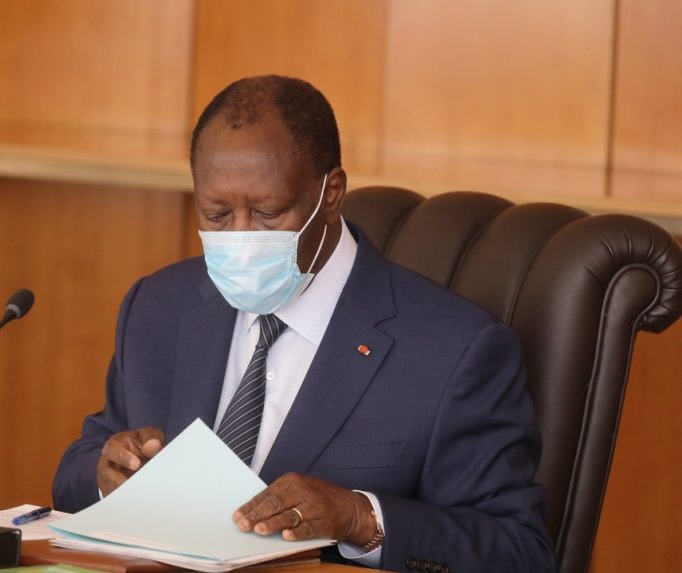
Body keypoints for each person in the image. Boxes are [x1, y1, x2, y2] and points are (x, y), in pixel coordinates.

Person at [53, 75, 557, 573]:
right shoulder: (159, 305)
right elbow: (79, 470)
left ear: (331, 194)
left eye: (268, 213)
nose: (241, 237)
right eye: (217, 215)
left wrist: (361, 518)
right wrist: (107, 476)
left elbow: (519, 551)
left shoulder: (455, 350)